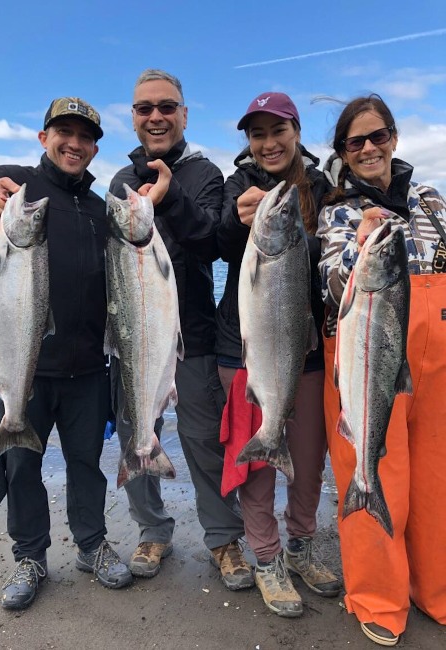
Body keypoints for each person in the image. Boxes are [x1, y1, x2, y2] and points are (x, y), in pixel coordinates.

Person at [0, 97, 133, 610]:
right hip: (19, 366)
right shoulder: (13, 188)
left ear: (95, 147)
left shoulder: (103, 211)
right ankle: (30, 556)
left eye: (85, 137)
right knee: (21, 465)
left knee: (87, 463)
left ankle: (92, 545)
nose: (74, 144)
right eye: (64, 133)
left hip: (87, 371)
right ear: (44, 138)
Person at [108, 69, 253, 590]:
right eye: (145, 108)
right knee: (134, 431)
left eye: (166, 106)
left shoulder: (205, 173)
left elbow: (213, 241)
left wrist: (169, 198)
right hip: (134, 335)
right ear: (134, 118)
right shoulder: (120, 182)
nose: (156, 117)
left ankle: (223, 537)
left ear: (184, 114)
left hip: (193, 333)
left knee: (201, 438)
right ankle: (153, 529)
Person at [317, 94, 446, 646]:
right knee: (372, 470)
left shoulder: (431, 199)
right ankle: (378, 597)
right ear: (343, 152)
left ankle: (436, 587)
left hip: (437, 361)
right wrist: (360, 248)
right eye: (356, 142)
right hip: (366, 355)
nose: (369, 148)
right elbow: (331, 283)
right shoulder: (337, 209)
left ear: (393, 137)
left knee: (436, 479)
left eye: (378, 136)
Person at [215, 91, 341, 618]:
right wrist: (233, 224)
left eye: (277, 131)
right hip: (243, 350)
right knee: (260, 466)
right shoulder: (237, 185)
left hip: (306, 349)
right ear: (248, 141)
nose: (268, 143)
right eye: (256, 134)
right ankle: (265, 557)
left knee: (309, 461)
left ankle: (301, 546)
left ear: (296, 131)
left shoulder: (324, 188)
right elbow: (214, 244)